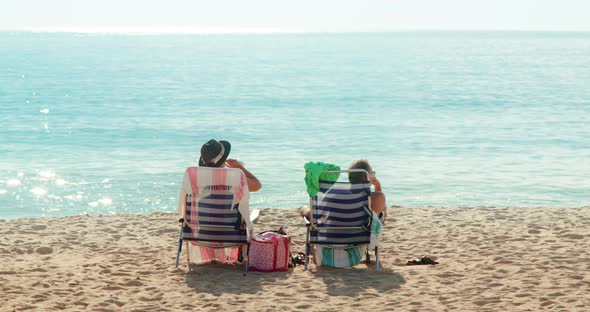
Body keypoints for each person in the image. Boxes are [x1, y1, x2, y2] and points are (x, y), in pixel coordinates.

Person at [301, 158, 386, 222]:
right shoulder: (374, 198)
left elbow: (316, 216)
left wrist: (305, 210)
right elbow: (380, 215)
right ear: (365, 176)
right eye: (372, 174)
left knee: (306, 210)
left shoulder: (331, 196)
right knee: (382, 214)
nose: (373, 176)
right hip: (360, 240)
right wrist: (378, 186)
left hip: (330, 240)